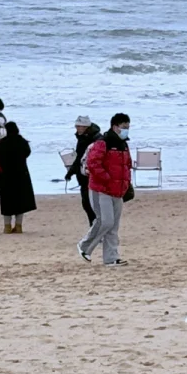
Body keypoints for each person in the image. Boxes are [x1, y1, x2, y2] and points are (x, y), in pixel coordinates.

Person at [78, 113, 132, 265]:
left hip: (118, 190)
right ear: (115, 127)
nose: (126, 130)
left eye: (128, 127)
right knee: (105, 221)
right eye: (124, 128)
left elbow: (127, 165)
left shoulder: (124, 145)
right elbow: (93, 163)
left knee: (114, 225)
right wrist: (107, 178)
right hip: (101, 189)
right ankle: (85, 246)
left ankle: (111, 258)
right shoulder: (103, 143)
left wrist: (126, 183)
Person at [0, 121, 36, 232]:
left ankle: (7, 226)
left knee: (6, 201)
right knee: (19, 201)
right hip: (21, 175)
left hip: (5, 176)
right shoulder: (23, 142)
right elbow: (27, 153)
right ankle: (18, 226)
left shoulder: (1, 143)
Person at [65, 115, 101, 225]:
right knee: (87, 204)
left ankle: (96, 228)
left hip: (92, 176)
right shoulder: (82, 138)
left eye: (79, 126)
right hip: (83, 176)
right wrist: (70, 172)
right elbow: (78, 158)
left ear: (85, 127)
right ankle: (94, 227)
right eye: (76, 126)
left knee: (91, 204)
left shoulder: (96, 138)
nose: (77, 129)